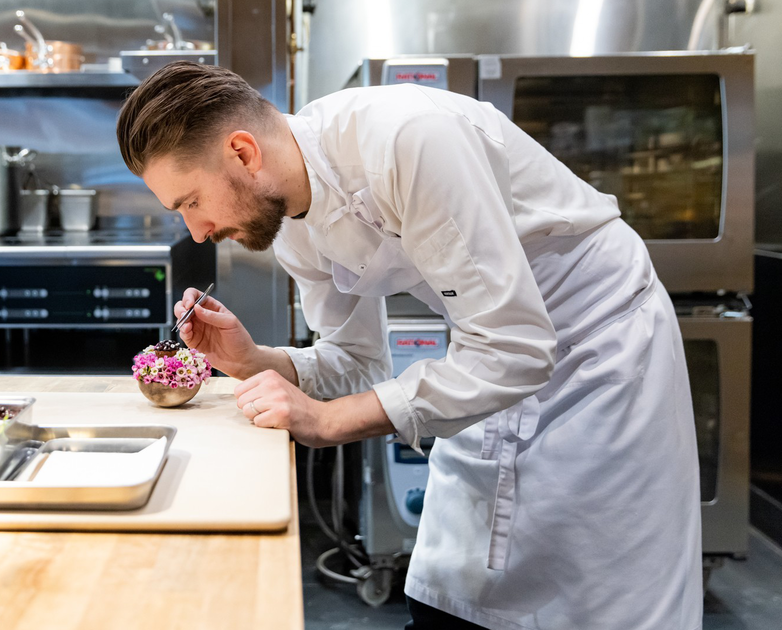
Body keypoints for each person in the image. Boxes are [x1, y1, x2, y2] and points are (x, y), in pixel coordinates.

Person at [116, 61, 703, 630]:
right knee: (454, 587)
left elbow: (517, 348)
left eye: (191, 201)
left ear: (243, 153)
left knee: (593, 597)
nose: (197, 231)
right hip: (483, 357)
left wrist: (328, 421)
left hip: (598, 357)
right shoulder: (294, 225)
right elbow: (357, 359)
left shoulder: (407, 139)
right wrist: (257, 362)